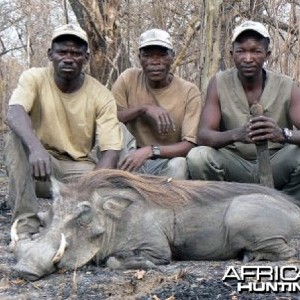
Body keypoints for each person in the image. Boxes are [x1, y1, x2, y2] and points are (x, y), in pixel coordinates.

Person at [5, 23, 127, 236]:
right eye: (62, 52)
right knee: (14, 139)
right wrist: (35, 148)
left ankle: (83, 226)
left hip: (79, 170)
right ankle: (26, 226)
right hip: (40, 166)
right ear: (50, 54)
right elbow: (14, 112)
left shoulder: (101, 94)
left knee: (114, 180)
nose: (68, 58)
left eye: (76, 53)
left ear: (86, 58)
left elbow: (111, 150)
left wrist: (89, 187)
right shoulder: (33, 78)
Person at [187, 20, 300, 202]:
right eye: (241, 51)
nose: (248, 58)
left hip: (276, 162)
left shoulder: (287, 85)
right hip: (235, 164)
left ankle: (290, 209)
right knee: (198, 157)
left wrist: (282, 134)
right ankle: (221, 208)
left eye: (255, 51)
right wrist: (237, 134)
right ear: (232, 53)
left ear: (267, 54)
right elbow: (204, 136)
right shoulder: (219, 82)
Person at [112, 28, 202, 179]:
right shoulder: (128, 79)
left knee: (179, 165)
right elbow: (110, 119)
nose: (155, 61)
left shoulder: (189, 91)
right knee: (115, 128)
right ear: (139, 57)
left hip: (166, 160)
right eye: (147, 55)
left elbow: (189, 144)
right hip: (130, 157)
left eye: (162, 55)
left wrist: (151, 151)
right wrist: (143, 109)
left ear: (172, 57)